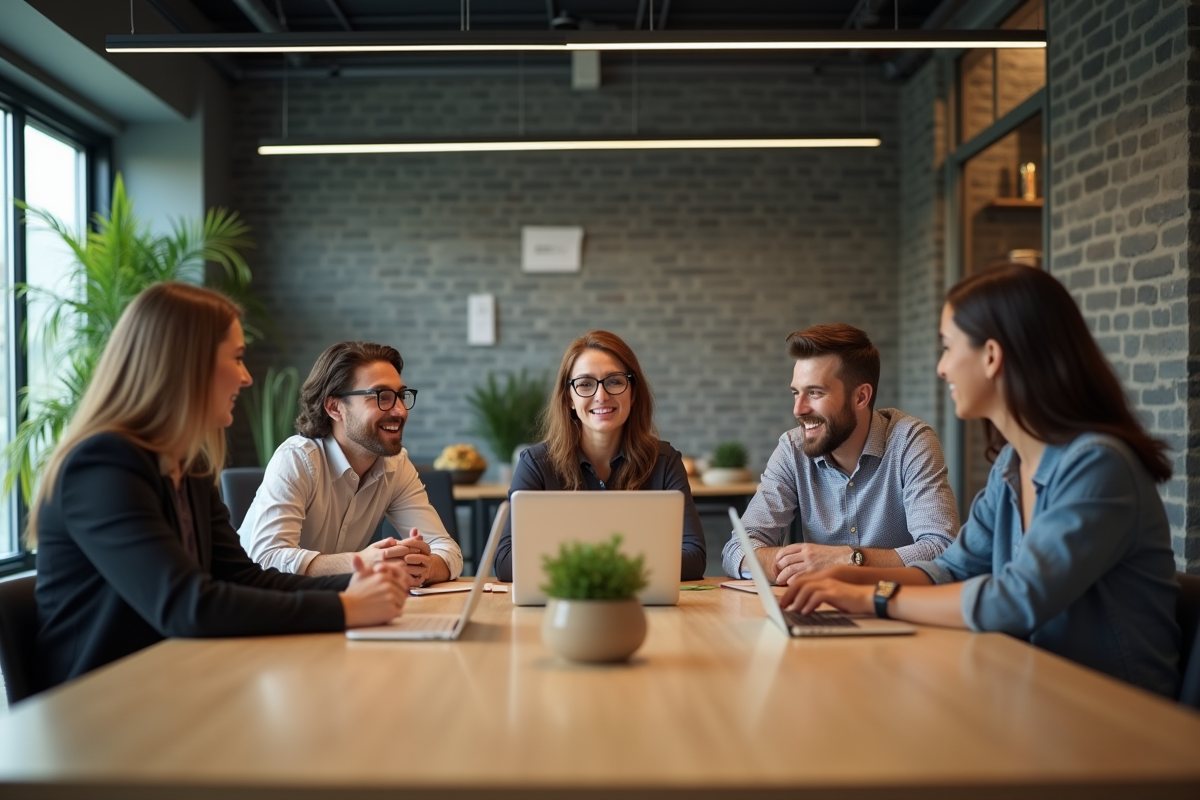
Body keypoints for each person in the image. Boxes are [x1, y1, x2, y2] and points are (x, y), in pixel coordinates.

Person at [782, 265, 1180, 697]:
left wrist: (873, 598)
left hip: (1116, 718)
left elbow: (1016, 598)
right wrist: (847, 579)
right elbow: (952, 570)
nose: (941, 367)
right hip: (1034, 692)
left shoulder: (1099, 466)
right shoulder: (1012, 464)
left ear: (991, 356)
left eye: (949, 347)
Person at [34, 283, 410, 689]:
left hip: (175, 683)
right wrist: (344, 607)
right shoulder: (103, 465)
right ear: (186, 364)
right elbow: (187, 606)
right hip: (102, 707)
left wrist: (355, 584)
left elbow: (243, 578)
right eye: (236, 358)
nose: (246, 378)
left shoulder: (188, 463)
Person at [722, 323, 959, 584]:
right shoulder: (792, 448)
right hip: (819, 607)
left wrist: (847, 560)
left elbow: (942, 550)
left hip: (893, 608)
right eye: (796, 393)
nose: (798, 409)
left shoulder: (910, 441)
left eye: (814, 393)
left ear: (861, 397)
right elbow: (737, 550)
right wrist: (798, 563)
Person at [239, 341, 463, 585]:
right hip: (259, 611)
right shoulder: (297, 459)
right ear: (335, 407)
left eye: (400, 396)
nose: (400, 411)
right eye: (382, 397)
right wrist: (360, 563)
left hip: (332, 608)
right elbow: (265, 558)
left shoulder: (396, 465)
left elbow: (447, 550)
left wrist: (421, 568)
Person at [493, 330, 706, 581]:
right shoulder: (537, 464)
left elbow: (694, 558)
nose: (601, 396)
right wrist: (615, 568)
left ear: (633, 392)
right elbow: (506, 563)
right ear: (569, 398)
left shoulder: (665, 461)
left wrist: (583, 567)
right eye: (585, 384)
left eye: (615, 381)